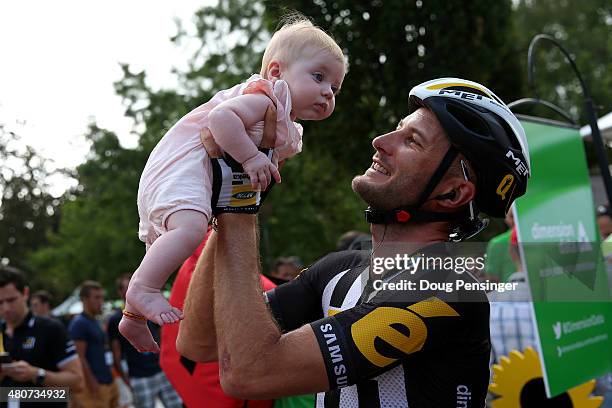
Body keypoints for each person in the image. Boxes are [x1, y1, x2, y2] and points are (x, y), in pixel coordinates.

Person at [177, 78, 531, 407]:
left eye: (411, 141)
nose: (381, 141)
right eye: (397, 130)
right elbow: (199, 342)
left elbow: (249, 373)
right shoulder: (339, 270)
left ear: (452, 193)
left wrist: (239, 201)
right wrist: (231, 204)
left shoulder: (444, 290)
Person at [120, 16, 347, 354]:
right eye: (318, 77)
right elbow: (220, 120)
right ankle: (141, 289)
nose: (327, 91)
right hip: (180, 166)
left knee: (177, 238)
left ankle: (132, 317)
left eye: (335, 88)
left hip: (190, 176)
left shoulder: (284, 120)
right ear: (276, 72)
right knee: (191, 229)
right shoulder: (266, 98)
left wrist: (263, 162)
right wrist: (253, 160)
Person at [0, 265, 84, 408]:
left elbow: (77, 384)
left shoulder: (50, 328)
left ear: (25, 293)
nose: (6, 308)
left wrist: (36, 374)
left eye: (11, 300)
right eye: (0, 302)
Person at [107, 275, 182, 408]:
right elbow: (116, 353)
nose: (130, 290)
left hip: (161, 370)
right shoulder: (114, 320)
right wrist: (127, 380)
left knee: (176, 404)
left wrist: (170, 365)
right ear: (120, 292)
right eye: (126, 288)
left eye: (132, 286)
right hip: (139, 376)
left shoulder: (149, 310)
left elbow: (164, 339)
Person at [69, 281, 119, 408]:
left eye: (102, 297)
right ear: (84, 299)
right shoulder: (79, 323)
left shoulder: (95, 321)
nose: (101, 301)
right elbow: (79, 357)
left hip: (107, 380)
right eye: (96, 297)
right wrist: (91, 382)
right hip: (94, 385)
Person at [484, 207, 516, 283]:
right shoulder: (539, 236)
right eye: (512, 216)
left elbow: (491, 279)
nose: (515, 220)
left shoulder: (496, 243)